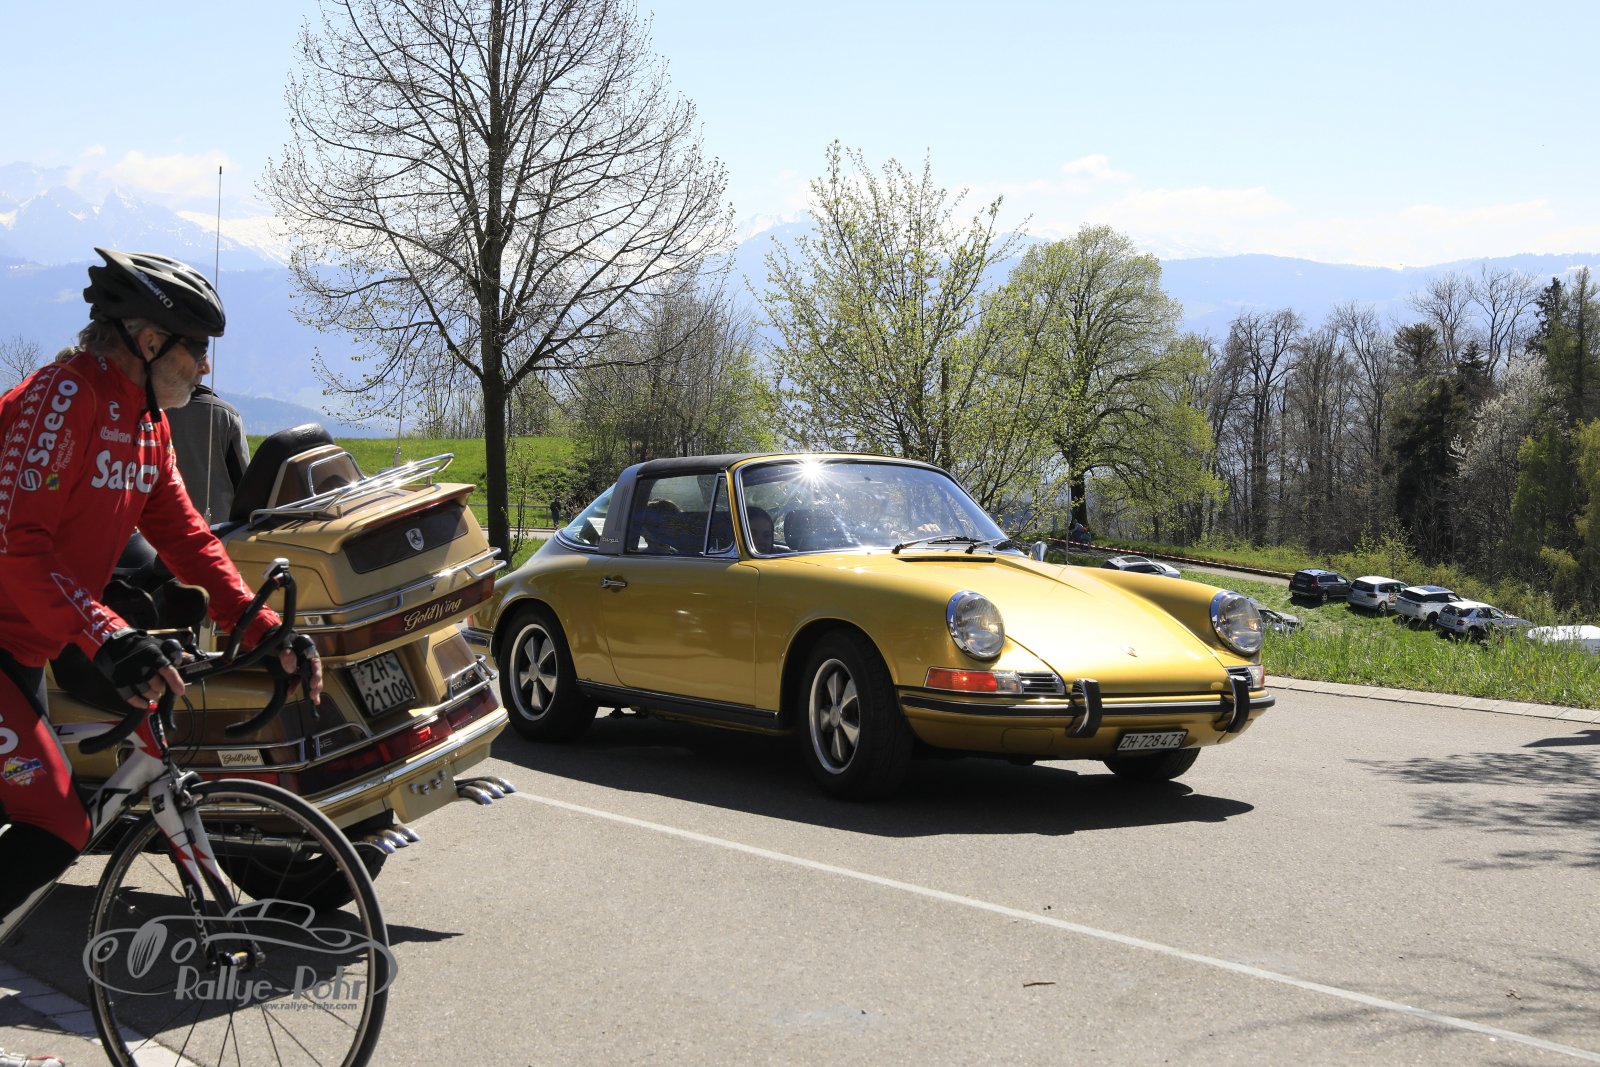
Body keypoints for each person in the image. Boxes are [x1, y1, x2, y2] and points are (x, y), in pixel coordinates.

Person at [0, 249, 323, 975]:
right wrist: (108, 633)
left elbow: (189, 540)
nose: (205, 367)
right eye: (196, 348)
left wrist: (263, 629)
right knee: (55, 820)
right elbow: (21, 545)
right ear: (149, 341)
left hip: (20, 650)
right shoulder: (64, 399)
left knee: (43, 816)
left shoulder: (146, 425)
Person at [164, 381, 249, 523]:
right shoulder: (227, 414)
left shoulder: (156, 414)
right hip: (218, 523)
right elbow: (243, 481)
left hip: (166, 521)